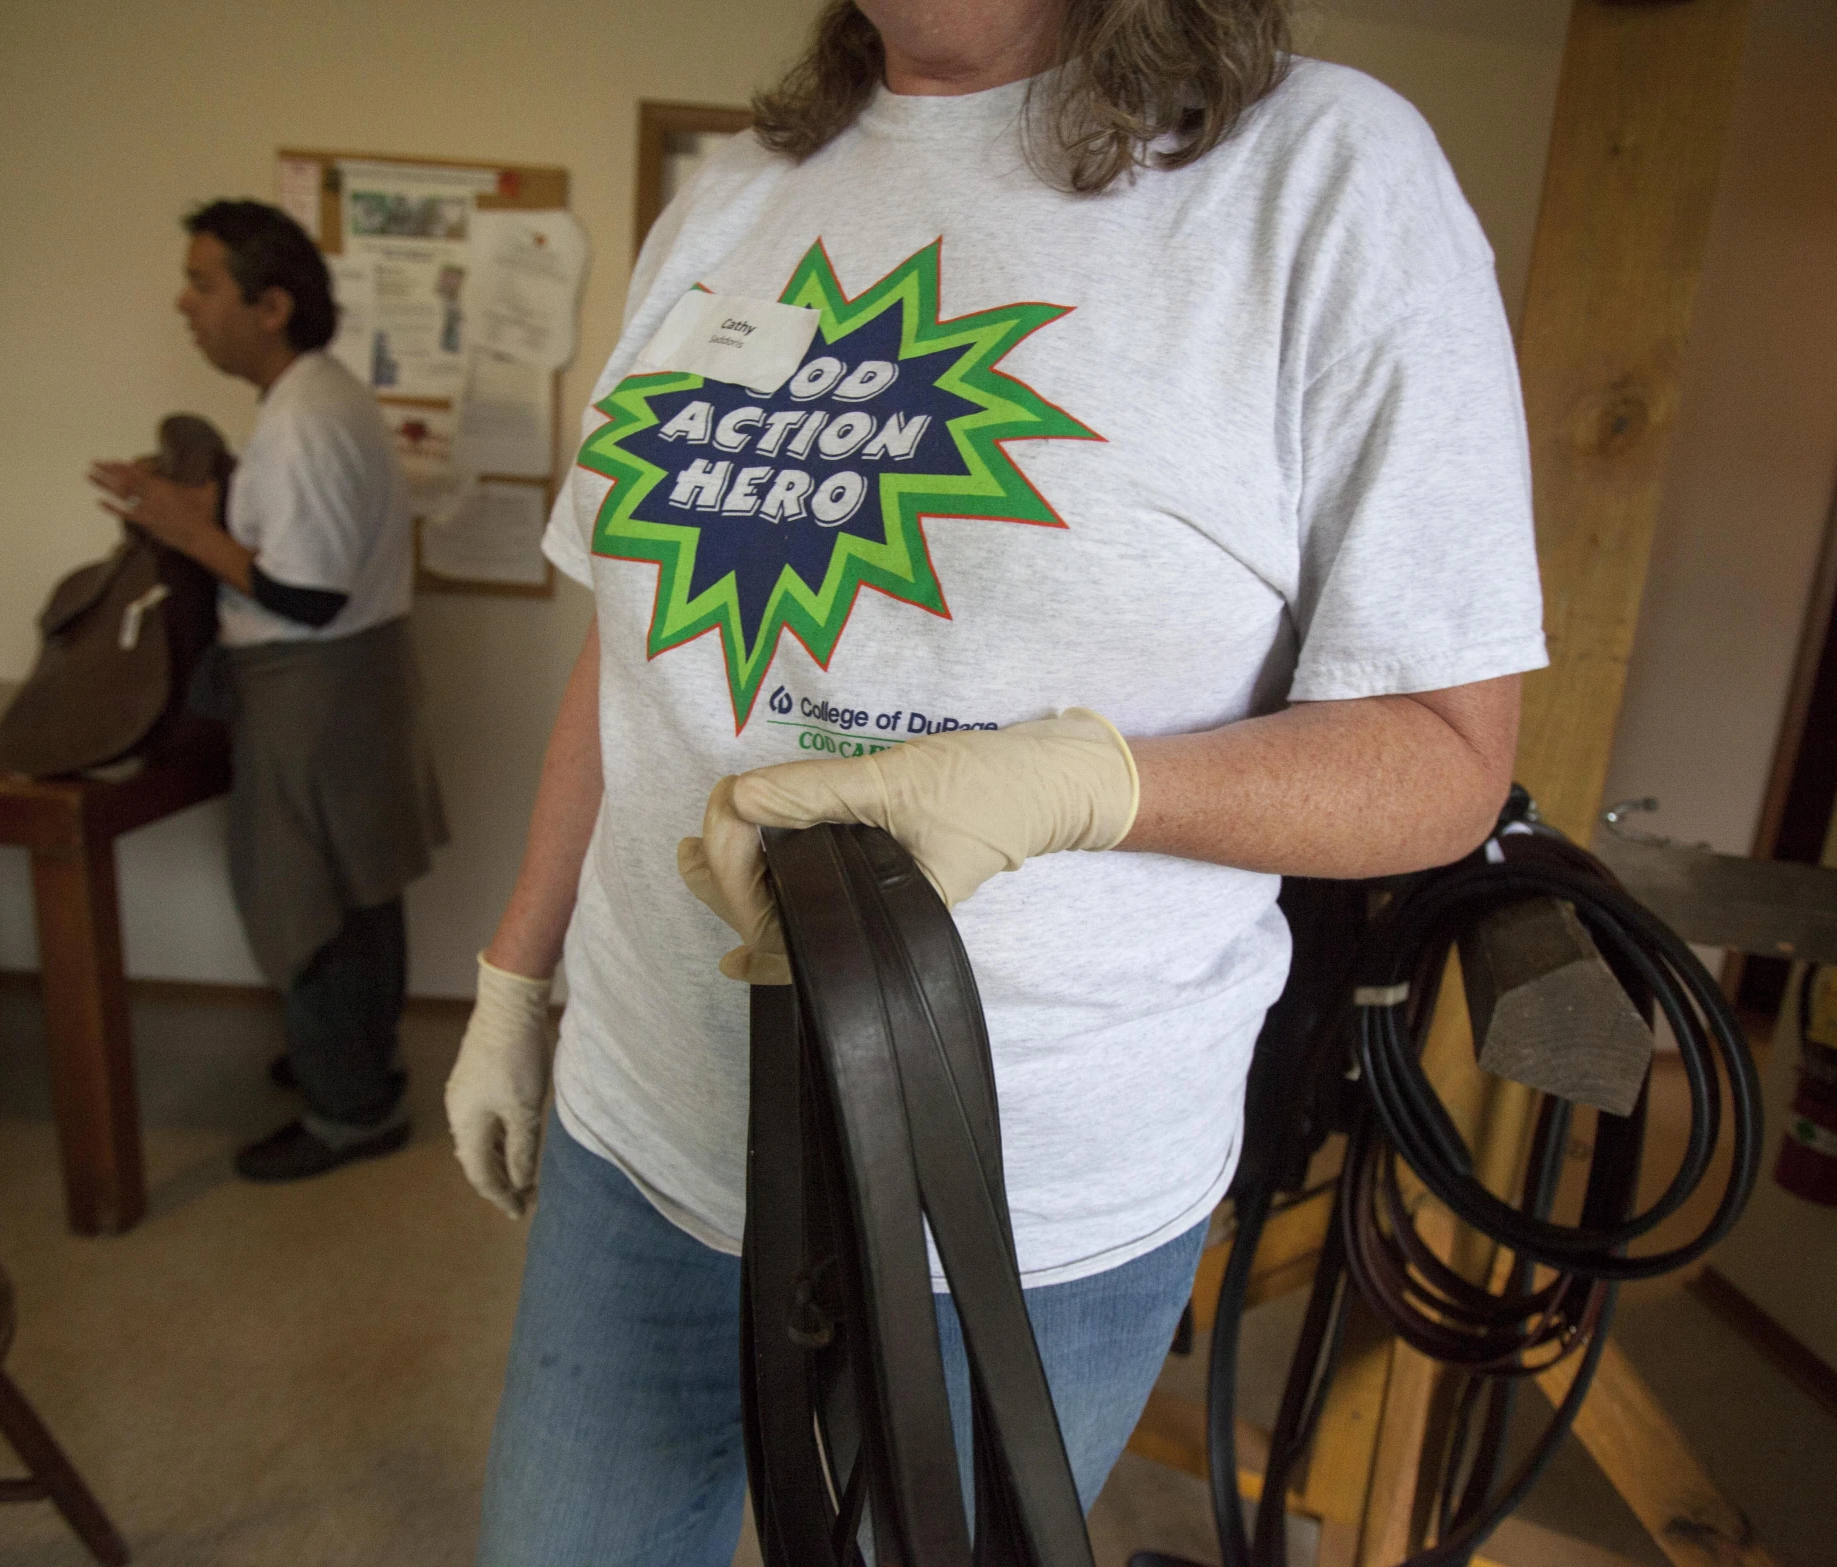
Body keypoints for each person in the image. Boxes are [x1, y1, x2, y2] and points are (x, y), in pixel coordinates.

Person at [446, 0, 1544, 1557]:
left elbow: (1440, 760)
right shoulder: (738, 195)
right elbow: (625, 654)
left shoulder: (1319, 175)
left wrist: (1079, 784)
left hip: (1022, 1194)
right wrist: (516, 972)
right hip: (653, 1119)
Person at [89, 199, 446, 1183]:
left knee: (310, 898)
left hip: (316, 686)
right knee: (352, 893)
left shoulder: (303, 421)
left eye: (203, 284)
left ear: (271, 303)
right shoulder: (315, 399)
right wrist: (207, 513)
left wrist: (182, 525)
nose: (183, 303)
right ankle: (351, 1066)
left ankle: (352, 1114)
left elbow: (309, 591)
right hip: (342, 689)